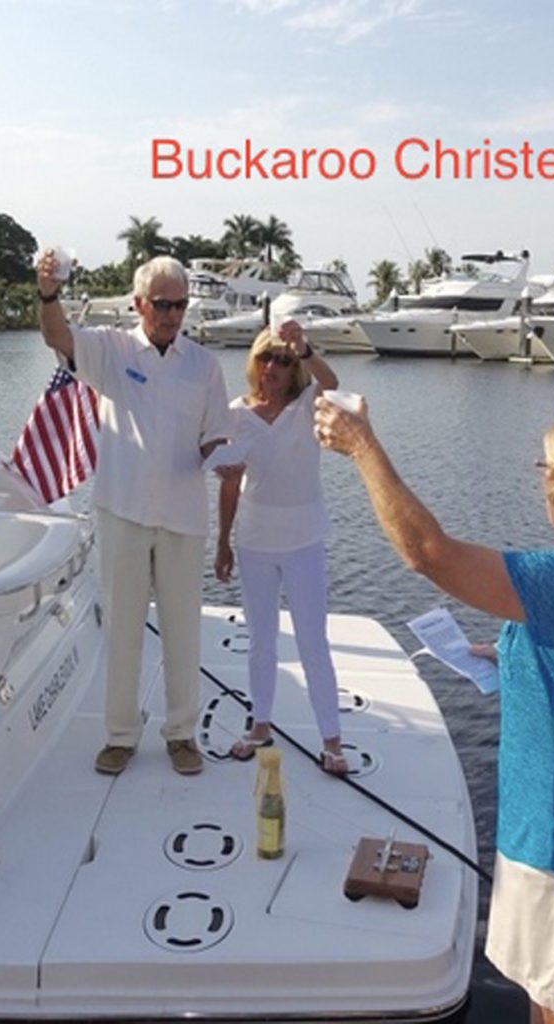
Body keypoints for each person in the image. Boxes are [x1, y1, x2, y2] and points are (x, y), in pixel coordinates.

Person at [313, 400, 554, 1024]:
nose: (539, 479)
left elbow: (427, 552)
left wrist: (362, 447)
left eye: (545, 467)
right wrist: (514, 653)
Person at [37, 251, 232, 776]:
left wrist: (229, 460)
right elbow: (58, 337)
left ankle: (181, 735)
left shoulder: (205, 365)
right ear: (139, 303)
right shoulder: (112, 349)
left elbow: (215, 435)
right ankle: (120, 736)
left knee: (183, 632)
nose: (172, 314)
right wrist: (49, 292)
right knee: (122, 630)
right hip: (122, 510)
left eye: (180, 305)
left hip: (183, 518)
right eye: (163, 304)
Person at [214, 320, 348, 774]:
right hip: (254, 540)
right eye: (265, 358)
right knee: (260, 641)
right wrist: (222, 542)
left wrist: (303, 346)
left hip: (304, 540)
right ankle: (260, 726)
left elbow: (333, 383)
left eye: (283, 361)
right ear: (254, 363)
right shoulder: (235, 414)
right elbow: (228, 484)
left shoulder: (308, 404)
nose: (272, 367)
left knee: (312, 641)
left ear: (295, 369)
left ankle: (332, 739)